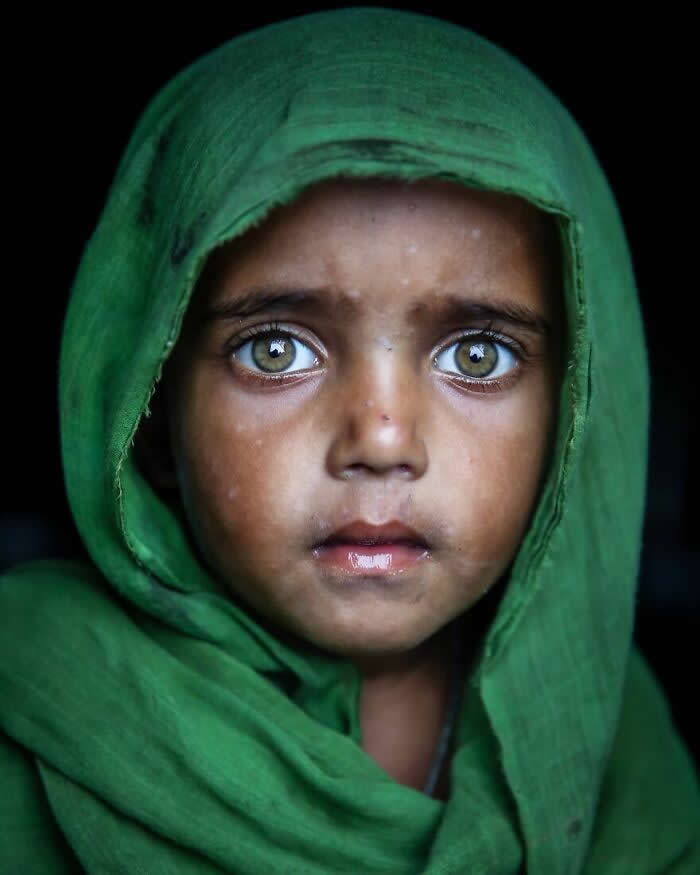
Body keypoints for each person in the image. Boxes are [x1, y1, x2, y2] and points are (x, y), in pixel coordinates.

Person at [1, 8, 698, 872]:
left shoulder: (630, 759)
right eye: (276, 349)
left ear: (577, 418)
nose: (380, 437)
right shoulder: (31, 730)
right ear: (147, 412)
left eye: (478, 355)